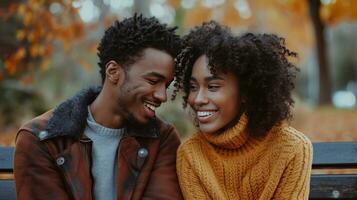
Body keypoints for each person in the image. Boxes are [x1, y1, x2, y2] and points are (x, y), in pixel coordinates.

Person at [14, 14, 183, 200]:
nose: (162, 96)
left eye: (166, 85)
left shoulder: (163, 139)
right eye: (153, 81)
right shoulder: (40, 138)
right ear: (113, 72)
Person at [174, 21, 312, 199]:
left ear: (245, 92)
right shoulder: (191, 155)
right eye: (193, 87)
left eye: (213, 86)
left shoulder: (291, 148)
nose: (198, 99)